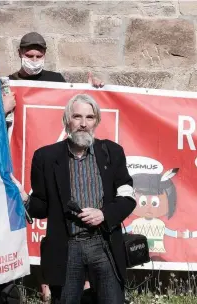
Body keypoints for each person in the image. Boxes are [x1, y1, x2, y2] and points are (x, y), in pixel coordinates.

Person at [22, 93, 136, 303]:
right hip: (67, 248)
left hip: (104, 244)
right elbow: (41, 207)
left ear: (97, 122)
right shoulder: (45, 157)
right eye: (77, 117)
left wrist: (104, 214)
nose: (83, 124)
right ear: (67, 120)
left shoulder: (112, 152)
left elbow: (128, 197)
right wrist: (24, 200)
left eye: (89, 118)